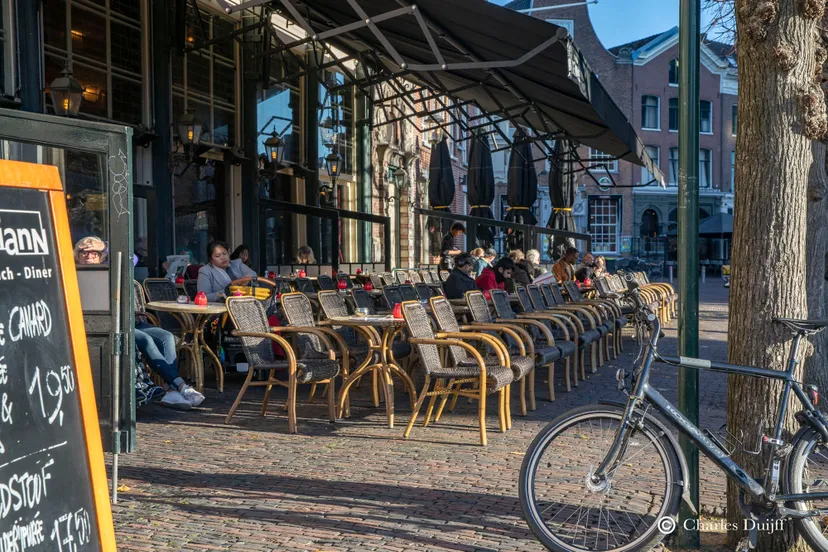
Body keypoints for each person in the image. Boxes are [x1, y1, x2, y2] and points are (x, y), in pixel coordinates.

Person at [135, 324, 204, 410]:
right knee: (146, 340)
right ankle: (181, 386)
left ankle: (171, 391)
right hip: (120, 324)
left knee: (167, 337)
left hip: (136, 322)